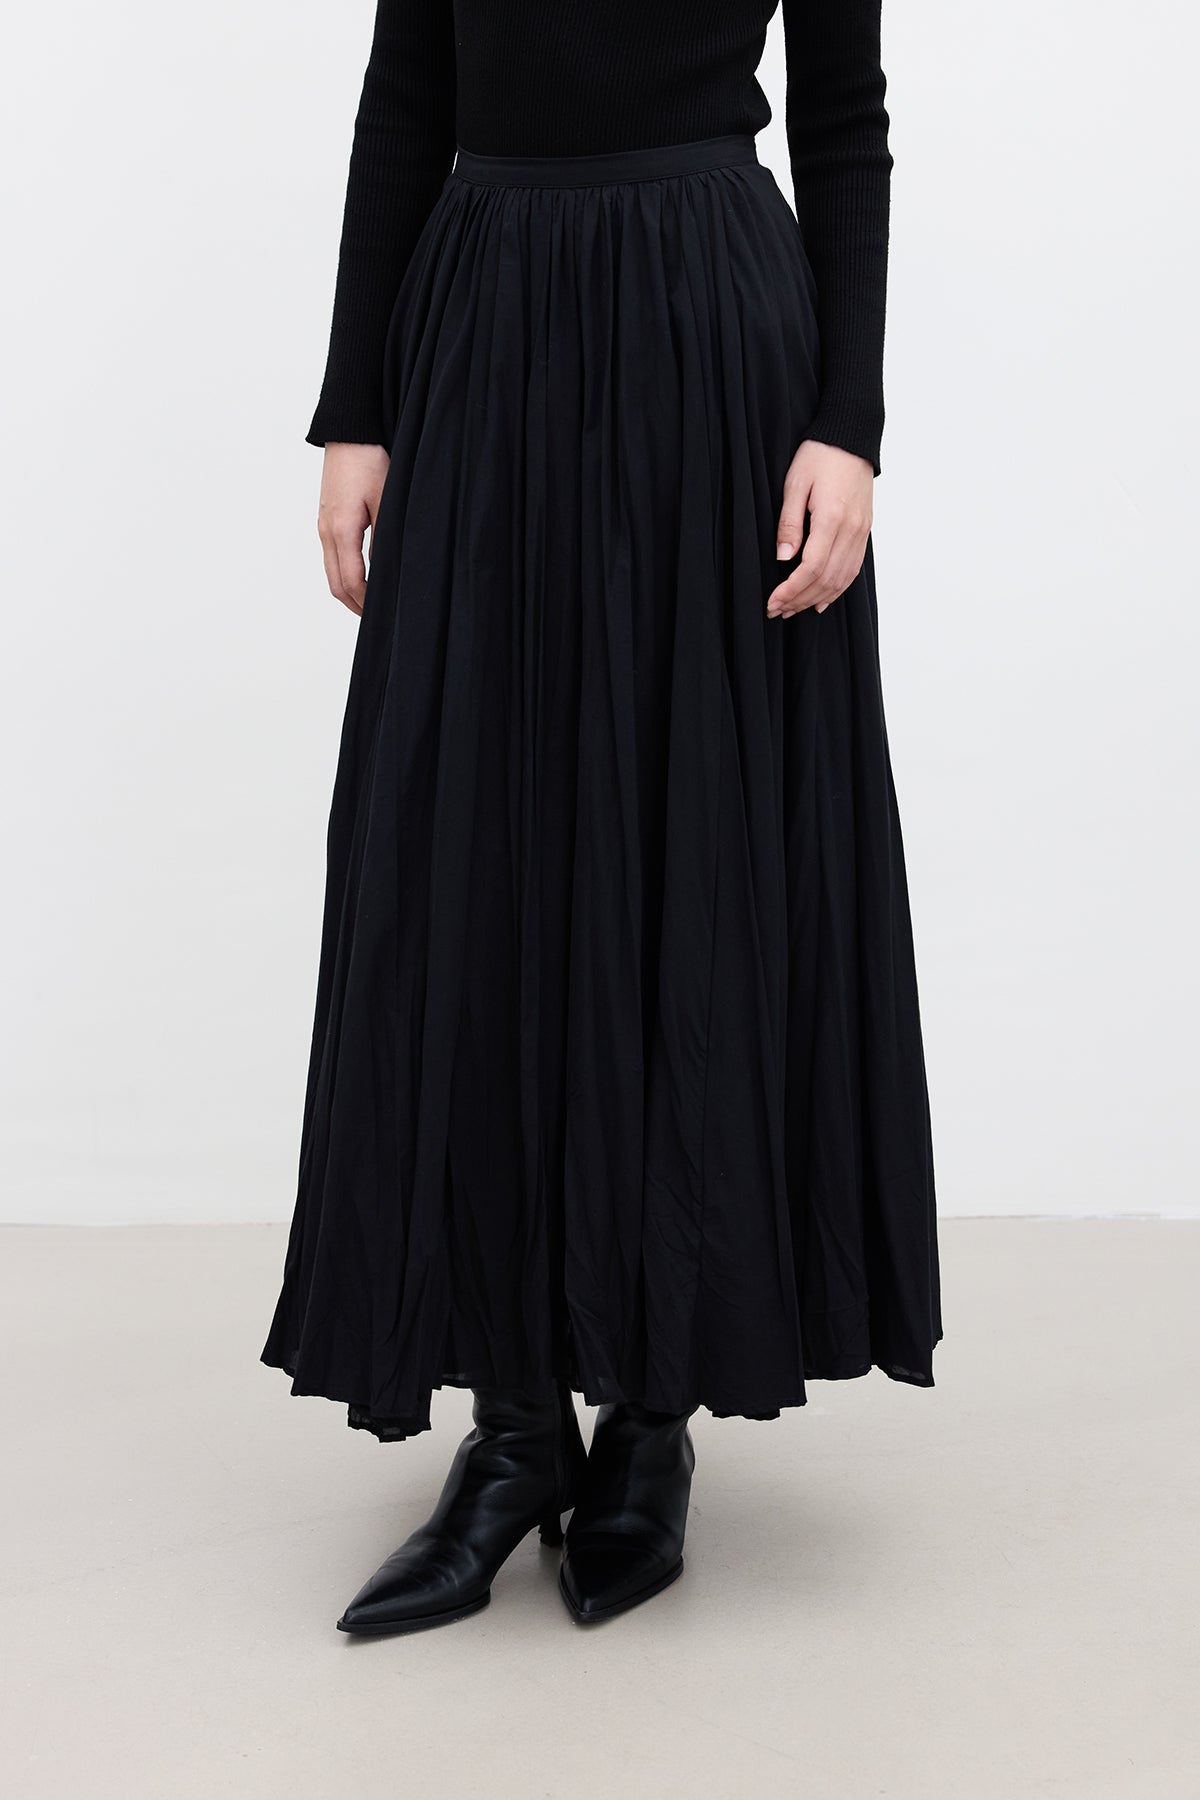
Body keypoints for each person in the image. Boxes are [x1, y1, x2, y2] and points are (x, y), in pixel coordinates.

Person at [261, 0, 942, 1637]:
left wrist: (848, 423)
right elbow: (404, 97)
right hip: (486, 328)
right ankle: (513, 1433)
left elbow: (846, 125)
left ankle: (650, 1419)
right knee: (468, 860)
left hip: (709, 339)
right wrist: (355, 406)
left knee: (685, 854)